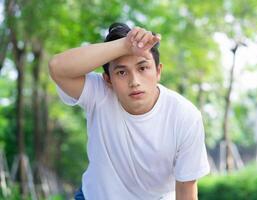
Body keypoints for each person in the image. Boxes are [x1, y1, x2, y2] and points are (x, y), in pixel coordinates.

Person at [48, 22, 210, 200]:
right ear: (108, 80)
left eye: (142, 68)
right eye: (122, 73)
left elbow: (187, 191)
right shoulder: (99, 94)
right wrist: (124, 45)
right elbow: (57, 67)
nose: (135, 81)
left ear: (158, 71)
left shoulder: (185, 116)